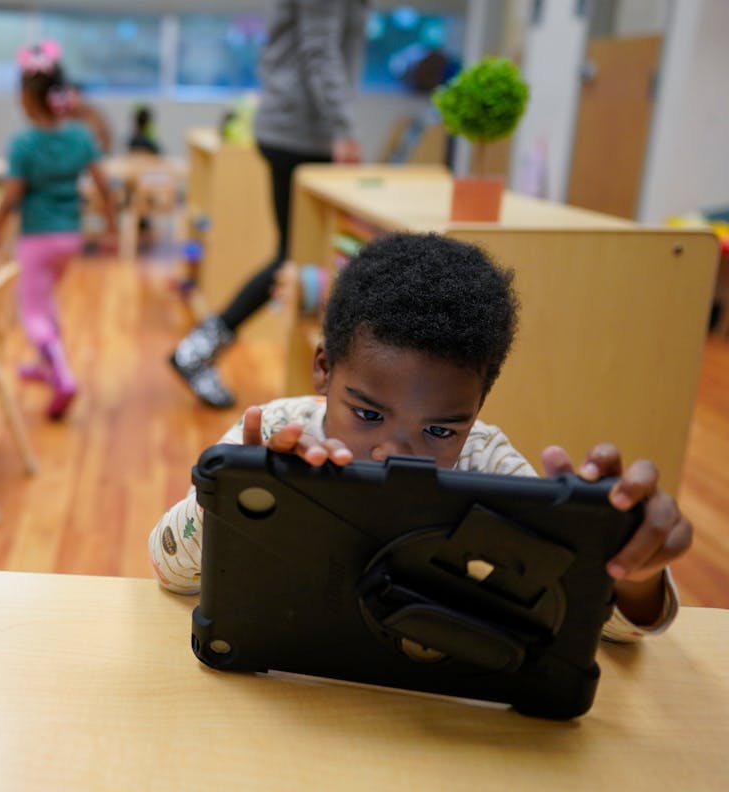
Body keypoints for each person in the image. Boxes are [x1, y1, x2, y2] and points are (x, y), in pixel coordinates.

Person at [149, 233, 692, 642]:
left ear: (477, 409)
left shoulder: (488, 465)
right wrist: (233, 498)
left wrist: (631, 573)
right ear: (323, 370)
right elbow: (167, 569)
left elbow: (604, 627)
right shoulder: (271, 435)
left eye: (438, 429)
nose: (394, 452)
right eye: (366, 414)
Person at [170, 0, 368, 408]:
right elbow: (319, 50)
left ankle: (200, 348)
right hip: (301, 132)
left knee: (295, 258)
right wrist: (344, 129)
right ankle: (199, 348)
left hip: (294, 128)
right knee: (295, 259)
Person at [0, 40, 118, 421]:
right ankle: (44, 366)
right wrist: (109, 229)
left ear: (28, 96)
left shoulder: (24, 143)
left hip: (37, 239)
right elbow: (105, 187)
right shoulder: (80, 135)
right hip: (69, 239)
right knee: (46, 300)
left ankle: (61, 373)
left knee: (32, 312)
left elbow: (10, 197)